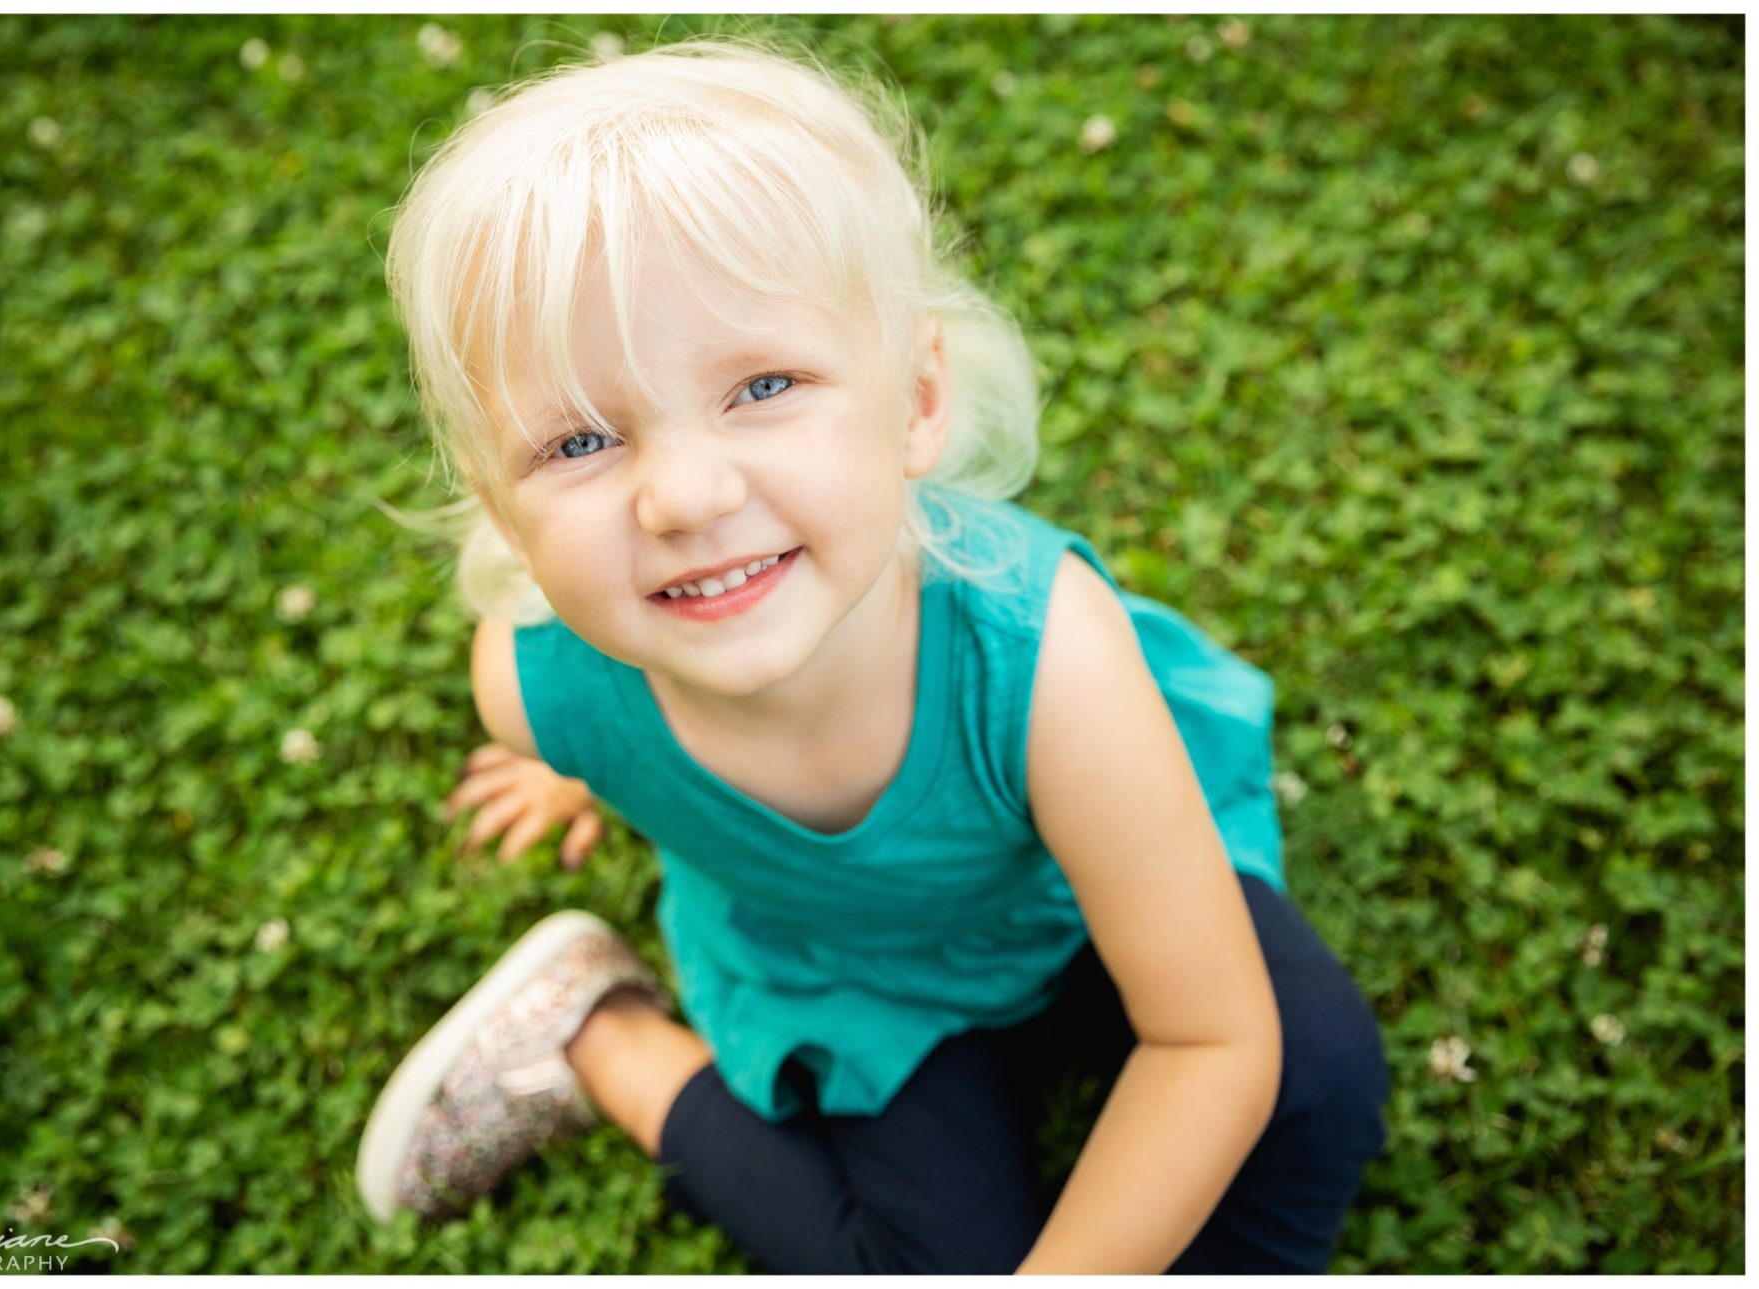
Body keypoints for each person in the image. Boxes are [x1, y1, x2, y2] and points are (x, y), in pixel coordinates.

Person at [355, 37, 1390, 1274]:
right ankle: (601, 1038)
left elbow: (1213, 1042)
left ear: (914, 400)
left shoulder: (1049, 661)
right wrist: (581, 763)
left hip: (1072, 888)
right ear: (502, 505)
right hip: (845, 965)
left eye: (764, 384)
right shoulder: (539, 690)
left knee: (1313, 1073)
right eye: (577, 441)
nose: (684, 495)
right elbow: (566, 696)